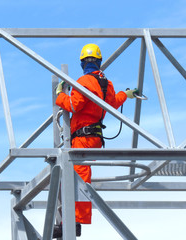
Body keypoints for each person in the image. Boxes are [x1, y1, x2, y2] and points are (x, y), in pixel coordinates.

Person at [53, 43, 137, 238]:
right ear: (99, 61)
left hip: (83, 137)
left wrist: (60, 95)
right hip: (95, 137)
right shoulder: (106, 83)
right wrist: (127, 94)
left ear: (83, 62)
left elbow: (74, 104)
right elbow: (113, 103)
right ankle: (70, 220)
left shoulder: (83, 81)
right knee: (76, 177)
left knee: (78, 179)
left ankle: (74, 223)